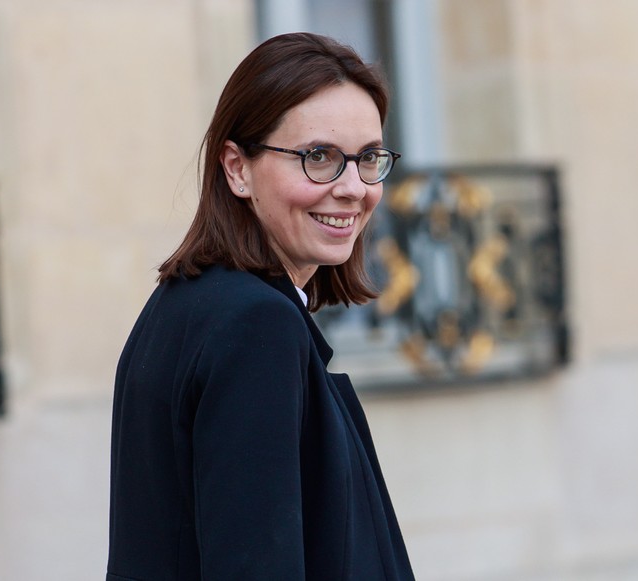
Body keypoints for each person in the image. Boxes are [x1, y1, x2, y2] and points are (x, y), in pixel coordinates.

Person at [106, 32, 414, 580]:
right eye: (318, 157)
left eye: (368, 158)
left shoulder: (188, 306)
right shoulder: (255, 325)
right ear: (237, 169)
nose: (353, 188)